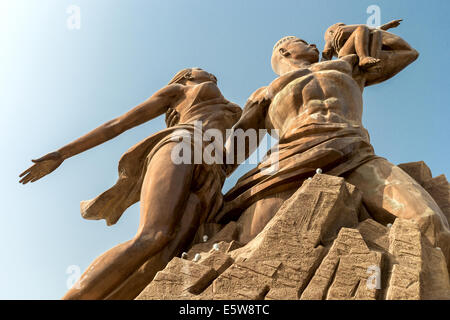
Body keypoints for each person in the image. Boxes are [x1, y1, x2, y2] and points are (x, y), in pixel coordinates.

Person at [219, 32, 450, 262]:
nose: (312, 43)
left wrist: (357, 31)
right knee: (249, 250)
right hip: (288, 165)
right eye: (302, 42)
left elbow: (405, 52)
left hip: (354, 153)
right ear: (284, 52)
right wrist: (205, 174)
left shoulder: (346, 65)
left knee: (429, 222)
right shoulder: (266, 93)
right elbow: (238, 143)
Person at [19, 68, 242, 299]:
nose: (209, 72)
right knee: (153, 236)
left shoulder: (232, 108)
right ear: (186, 76)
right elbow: (117, 124)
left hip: (212, 175)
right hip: (182, 146)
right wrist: (62, 154)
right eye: (200, 69)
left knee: (164, 260)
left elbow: (239, 149)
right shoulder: (180, 90)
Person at [322, 19, 403, 68]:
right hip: (344, 54)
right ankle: (363, 58)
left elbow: (372, 30)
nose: (345, 28)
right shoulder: (331, 39)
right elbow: (326, 53)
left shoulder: (349, 34)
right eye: (340, 26)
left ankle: (373, 63)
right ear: (331, 32)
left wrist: (389, 25)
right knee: (362, 28)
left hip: (356, 49)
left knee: (376, 32)